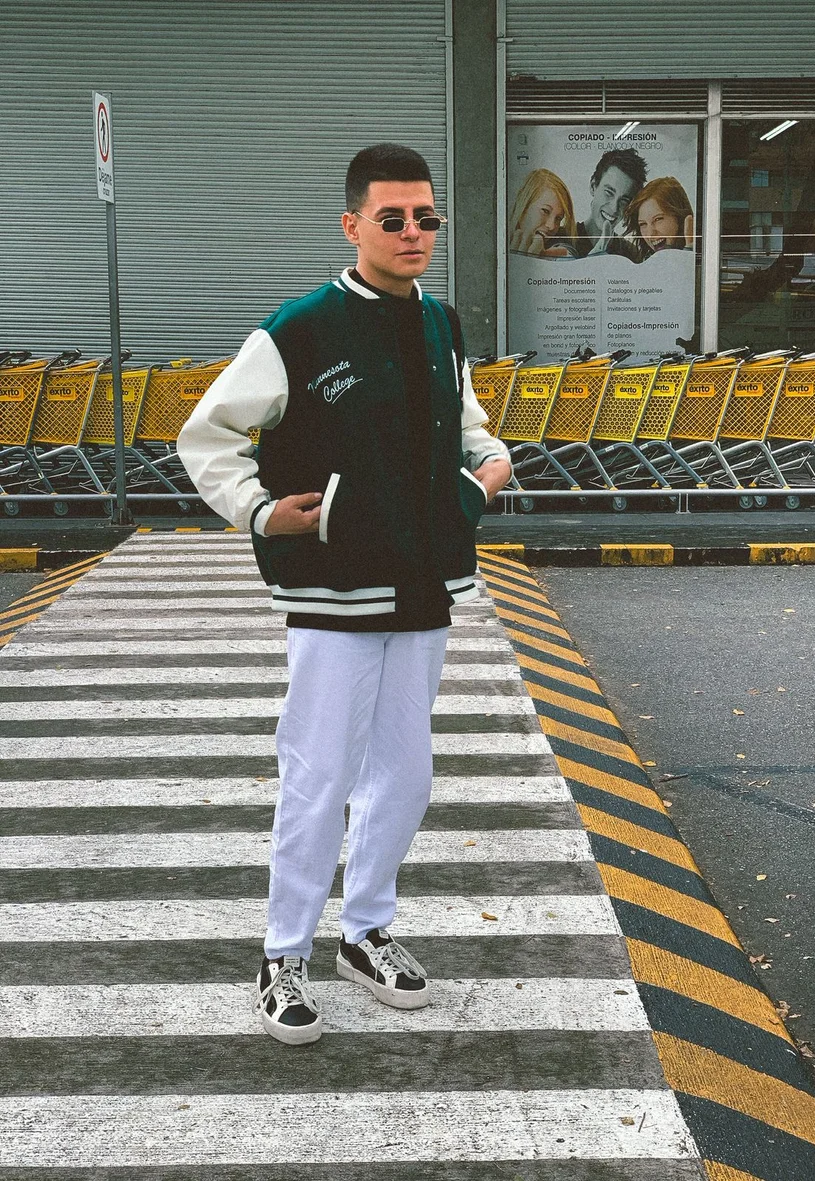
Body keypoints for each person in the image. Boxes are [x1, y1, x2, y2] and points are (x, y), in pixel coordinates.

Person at [177, 143, 512, 1046]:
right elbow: (207, 435)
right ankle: (283, 953)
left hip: (427, 577)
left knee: (406, 772)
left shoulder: (441, 324)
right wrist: (258, 509)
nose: (412, 232)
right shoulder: (300, 329)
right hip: (334, 585)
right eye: (392, 218)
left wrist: (487, 465)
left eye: (426, 217)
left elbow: (466, 420)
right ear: (352, 224)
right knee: (320, 773)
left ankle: (365, 930)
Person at [552, 148, 647, 259]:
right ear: (593, 186)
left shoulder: (631, 254)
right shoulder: (555, 237)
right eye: (609, 193)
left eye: (624, 200)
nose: (614, 208)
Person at [508, 168, 578, 257]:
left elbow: (567, 250)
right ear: (524, 206)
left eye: (558, 218)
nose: (551, 226)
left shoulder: (558, 240)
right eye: (545, 211)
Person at [624, 176, 694, 260]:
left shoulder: (704, 250)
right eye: (643, 224)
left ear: (678, 217)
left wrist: (688, 258)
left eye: (658, 219)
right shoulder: (645, 262)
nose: (650, 234)